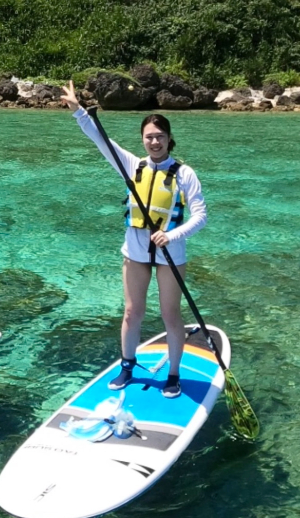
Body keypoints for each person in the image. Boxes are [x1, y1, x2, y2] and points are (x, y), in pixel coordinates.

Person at [61, 80, 207, 397]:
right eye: (149, 137)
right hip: (136, 252)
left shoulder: (185, 174)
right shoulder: (132, 165)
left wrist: (172, 235)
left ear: (169, 139)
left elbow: (200, 216)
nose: (155, 142)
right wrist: (78, 111)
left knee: (171, 315)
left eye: (160, 137)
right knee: (132, 313)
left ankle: (173, 375)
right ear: (142, 140)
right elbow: (102, 140)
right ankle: (127, 367)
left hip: (171, 254)